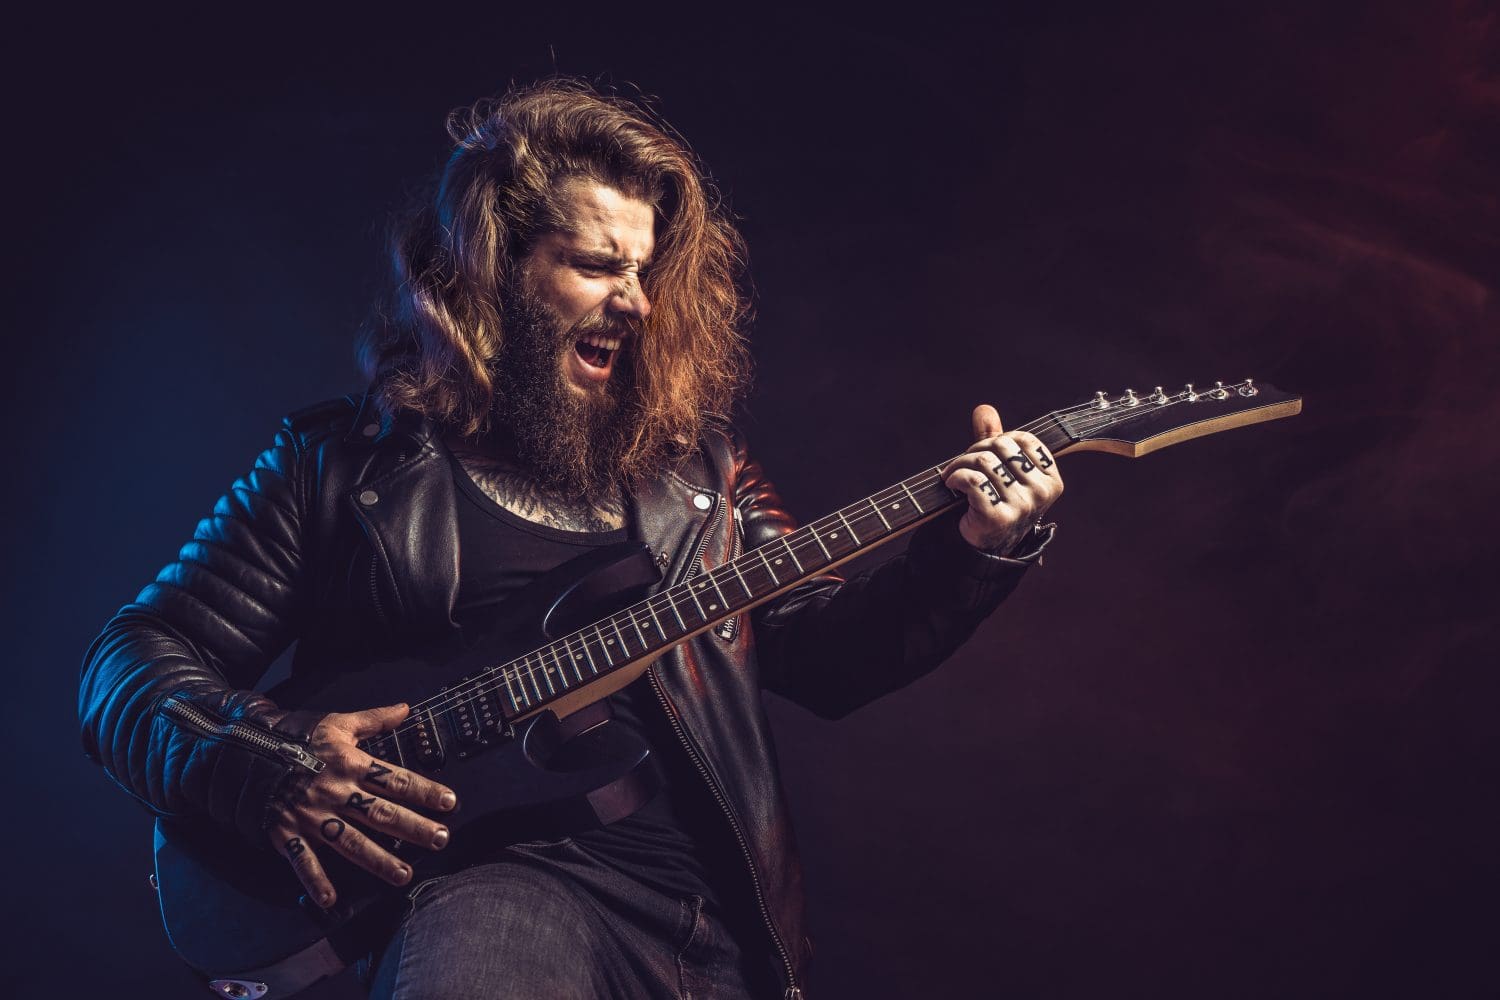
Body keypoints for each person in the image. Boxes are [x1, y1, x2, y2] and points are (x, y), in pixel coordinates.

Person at [79, 79, 1062, 1000]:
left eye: (643, 272)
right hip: (496, 901)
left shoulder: (700, 476)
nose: (635, 302)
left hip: (712, 915)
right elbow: (130, 662)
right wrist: (266, 761)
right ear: (495, 271)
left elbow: (828, 654)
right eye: (597, 265)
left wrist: (974, 549)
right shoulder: (340, 468)